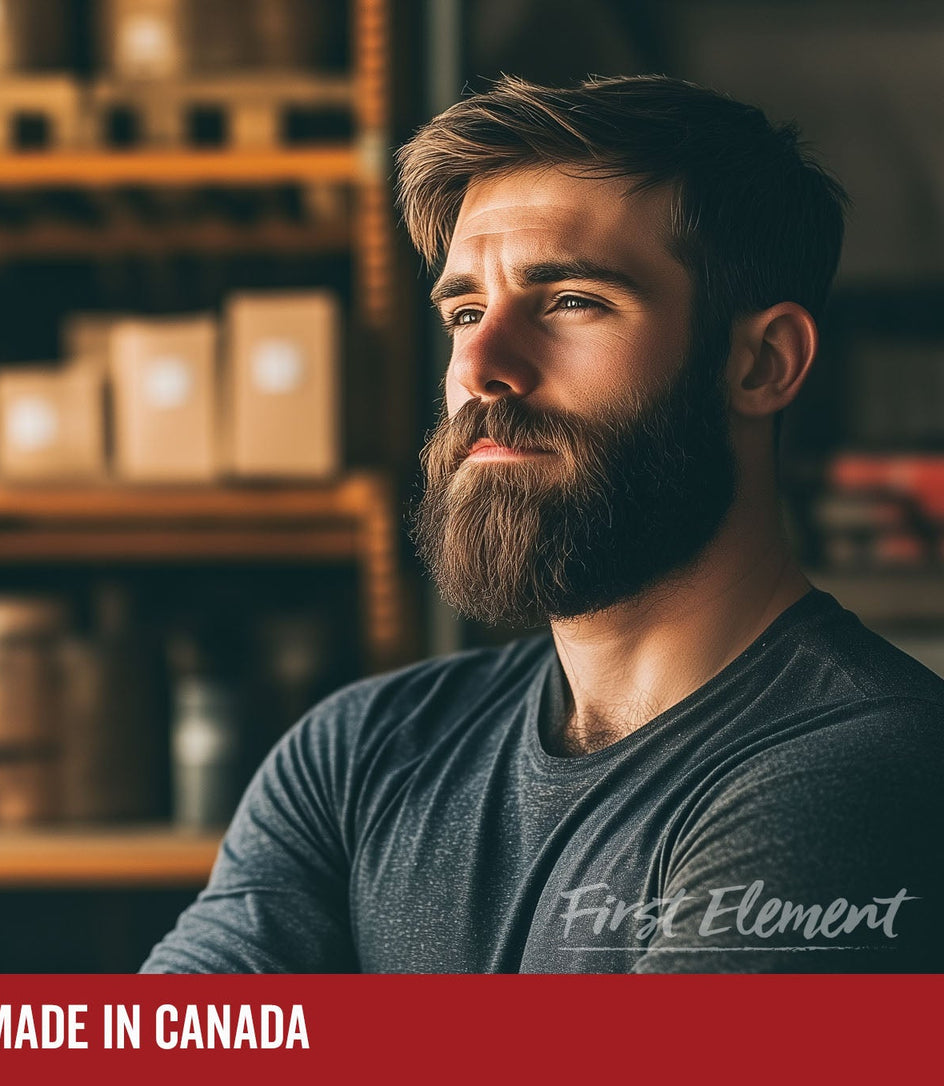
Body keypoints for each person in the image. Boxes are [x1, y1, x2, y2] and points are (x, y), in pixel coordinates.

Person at [142, 75, 944, 973]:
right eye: (465, 312)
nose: (481, 366)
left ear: (761, 363)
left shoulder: (867, 772)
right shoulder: (359, 756)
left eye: (570, 302)